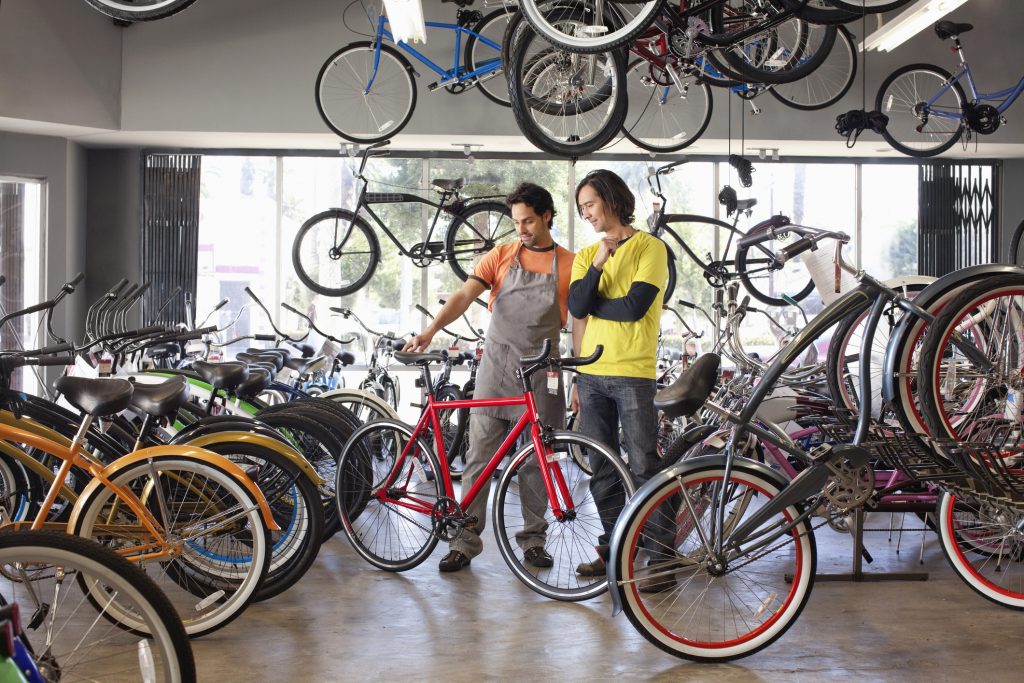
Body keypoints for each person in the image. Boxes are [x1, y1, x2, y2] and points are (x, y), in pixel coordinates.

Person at [404, 182, 579, 572]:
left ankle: (534, 541)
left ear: (547, 215)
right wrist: (431, 331)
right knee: (479, 458)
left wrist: (579, 371)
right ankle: (464, 542)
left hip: (543, 373)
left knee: (539, 460)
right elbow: (464, 296)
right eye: (517, 221)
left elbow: (579, 320)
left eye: (529, 220)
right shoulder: (500, 256)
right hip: (496, 368)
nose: (522, 228)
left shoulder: (570, 263)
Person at [567, 168, 677, 593]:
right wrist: (597, 265)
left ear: (612, 200)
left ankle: (662, 559)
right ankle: (616, 551)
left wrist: (596, 304)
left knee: (646, 466)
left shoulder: (651, 247)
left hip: (633, 373)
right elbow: (577, 305)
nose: (587, 214)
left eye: (590, 204)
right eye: (581, 209)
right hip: (591, 374)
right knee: (602, 470)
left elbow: (634, 308)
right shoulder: (585, 256)